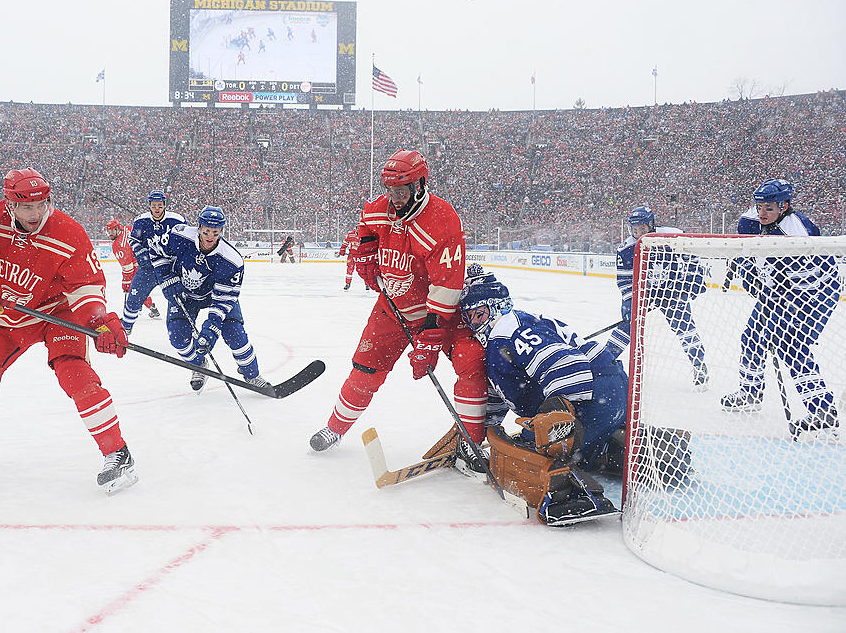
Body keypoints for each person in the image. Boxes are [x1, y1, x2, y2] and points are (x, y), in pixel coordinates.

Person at [0, 168, 136, 493]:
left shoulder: (68, 232)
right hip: (3, 320)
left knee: (75, 374)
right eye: (26, 207)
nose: (35, 213)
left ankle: (117, 453)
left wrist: (99, 321)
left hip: (56, 315)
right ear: (9, 204)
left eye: (41, 204)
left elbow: (87, 288)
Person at [308, 149, 488, 474]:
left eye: (401, 191)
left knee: (470, 361)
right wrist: (365, 251)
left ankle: (471, 443)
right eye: (389, 190)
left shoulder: (443, 220)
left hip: (440, 314)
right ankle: (335, 428)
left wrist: (431, 335)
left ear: (419, 185)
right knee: (365, 369)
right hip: (392, 309)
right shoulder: (381, 209)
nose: (394, 198)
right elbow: (367, 226)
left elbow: (447, 284)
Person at [460, 265, 626, 525]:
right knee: (557, 439)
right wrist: (480, 433)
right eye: (469, 317)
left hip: (594, 394)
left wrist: (555, 417)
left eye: (479, 315)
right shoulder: (503, 337)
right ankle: (614, 449)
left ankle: (567, 495)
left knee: (525, 450)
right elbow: (499, 393)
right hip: (608, 395)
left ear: (498, 306)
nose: (474, 324)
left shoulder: (507, 330)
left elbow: (567, 368)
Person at [721, 179, 841, 441]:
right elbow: (746, 252)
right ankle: (750, 391)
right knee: (751, 337)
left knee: (792, 346)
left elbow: (806, 285)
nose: (762, 213)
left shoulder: (795, 234)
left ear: (784, 207)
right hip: (775, 290)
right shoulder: (750, 221)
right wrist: (750, 274)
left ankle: (823, 411)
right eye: (759, 207)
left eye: (769, 209)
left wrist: (783, 319)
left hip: (816, 291)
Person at [156, 206, 271, 393]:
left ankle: (252, 374)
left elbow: (224, 298)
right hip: (184, 294)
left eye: (215, 232)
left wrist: (212, 326)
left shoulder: (231, 260)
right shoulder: (179, 235)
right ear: (199, 227)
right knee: (178, 338)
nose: (210, 236)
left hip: (215, 297)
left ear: (221, 232)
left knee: (235, 334)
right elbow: (158, 252)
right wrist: (166, 278)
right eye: (206, 230)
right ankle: (199, 364)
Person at [604, 205, 709, 390]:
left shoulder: (672, 236)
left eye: (642, 229)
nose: (638, 233)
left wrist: (694, 276)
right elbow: (624, 279)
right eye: (634, 230)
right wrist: (630, 302)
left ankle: (699, 365)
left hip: (672, 291)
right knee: (626, 327)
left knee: (685, 328)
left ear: (651, 225)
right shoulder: (626, 248)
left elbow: (691, 254)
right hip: (644, 292)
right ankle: (605, 361)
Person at [121, 190, 185, 334]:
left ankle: (181, 329)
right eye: (154, 205)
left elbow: (186, 241)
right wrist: (141, 253)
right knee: (134, 298)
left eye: (160, 205)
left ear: (164, 205)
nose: (157, 208)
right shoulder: (141, 221)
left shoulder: (177, 220)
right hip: (148, 269)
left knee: (178, 301)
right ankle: (125, 326)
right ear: (149, 205)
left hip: (169, 269)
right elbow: (133, 240)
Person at [106, 219, 160, 320]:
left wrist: (125, 283)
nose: (110, 234)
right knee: (140, 288)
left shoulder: (118, 246)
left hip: (139, 265)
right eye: (108, 231)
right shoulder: (126, 229)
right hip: (147, 258)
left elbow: (128, 269)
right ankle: (146, 307)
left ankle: (148, 308)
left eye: (112, 231)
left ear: (118, 229)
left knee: (135, 289)